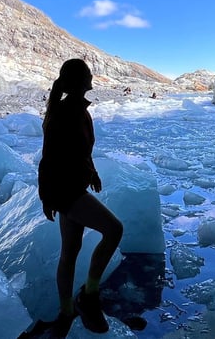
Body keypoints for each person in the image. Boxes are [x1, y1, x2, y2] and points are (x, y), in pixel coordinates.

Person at [38, 58, 123, 337]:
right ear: (78, 81)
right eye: (87, 73)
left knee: (70, 253)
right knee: (114, 229)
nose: (92, 77)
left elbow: (81, 151)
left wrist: (93, 172)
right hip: (66, 192)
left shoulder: (78, 111)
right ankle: (89, 295)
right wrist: (46, 197)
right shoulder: (64, 113)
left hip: (73, 187)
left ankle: (66, 311)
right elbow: (48, 158)